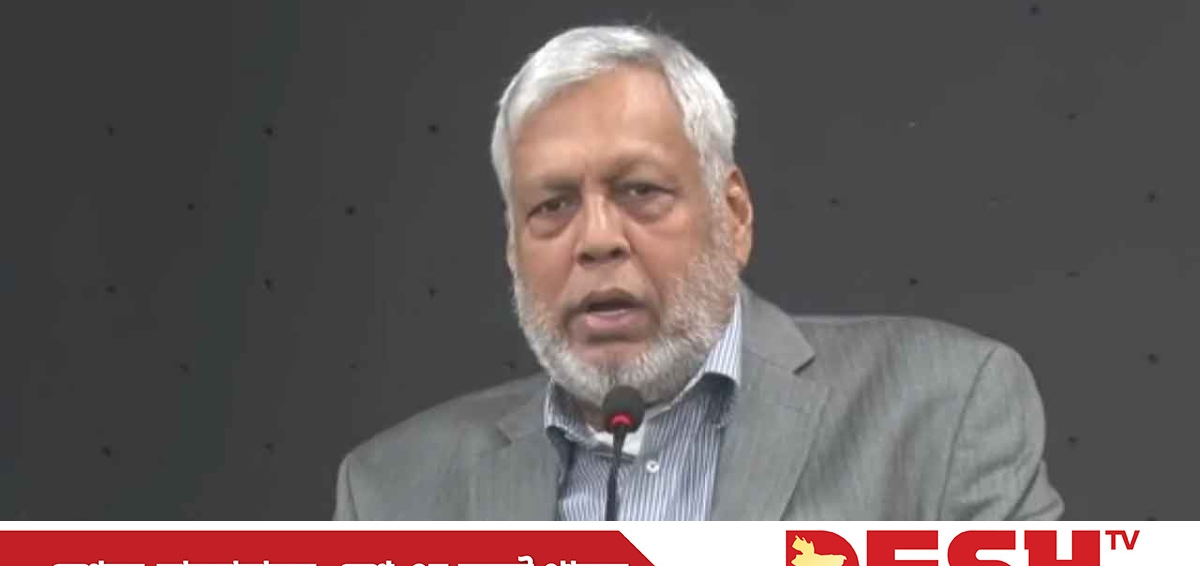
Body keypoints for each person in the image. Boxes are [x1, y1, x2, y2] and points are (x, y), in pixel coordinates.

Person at [333, 25, 1064, 521]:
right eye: (552, 207)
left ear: (733, 214)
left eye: (639, 191)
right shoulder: (392, 496)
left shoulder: (940, 410)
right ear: (512, 248)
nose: (596, 240)